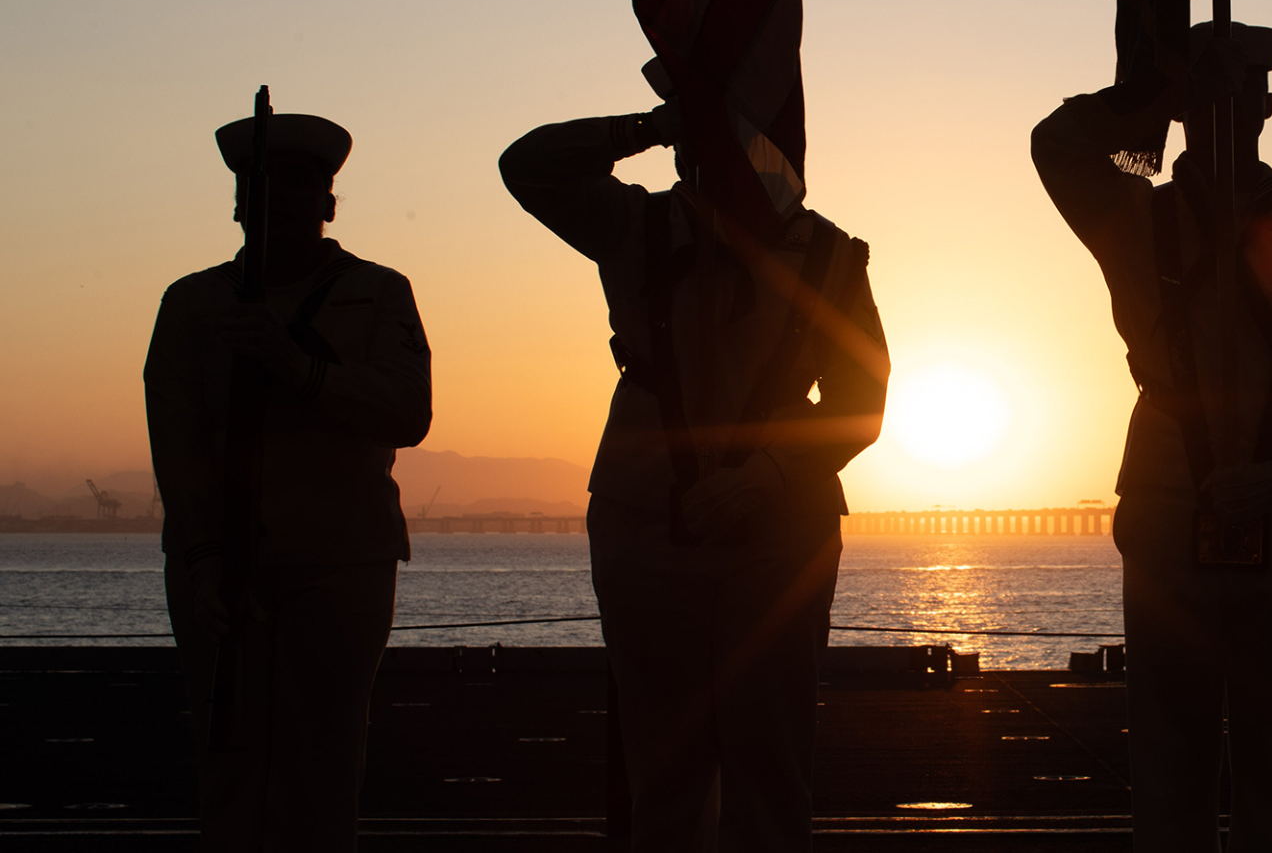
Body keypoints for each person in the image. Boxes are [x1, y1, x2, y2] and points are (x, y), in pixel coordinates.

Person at [500, 77, 888, 851]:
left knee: (771, 773)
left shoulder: (830, 257)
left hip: (779, 535)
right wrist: (643, 125)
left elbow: (865, 394)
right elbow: (528, 167)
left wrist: (767, 478)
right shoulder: (633, 226)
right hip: (648, 525)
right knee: (665, 777)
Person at [1032, 22, 1272, 851]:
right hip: (1168, 502)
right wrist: (1144, 98)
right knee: (1167, 765)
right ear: (1188, 109)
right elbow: (1055, 145)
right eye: (1208, 100)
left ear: (1267, 104)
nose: (1229, 115)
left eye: (1241, 98)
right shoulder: (1134, 222)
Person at [145, 111, 432, 850]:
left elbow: (407, 411)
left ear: (330, 202)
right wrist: (205, 557)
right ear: (239, 203)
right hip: (223, 564)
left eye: (301, 188)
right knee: (230, 765)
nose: (279, 204)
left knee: (325, 769)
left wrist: (298, 369)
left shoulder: (378, 293)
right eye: (264, 188)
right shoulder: (191, 304)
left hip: (339, 563)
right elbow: (177, 445)